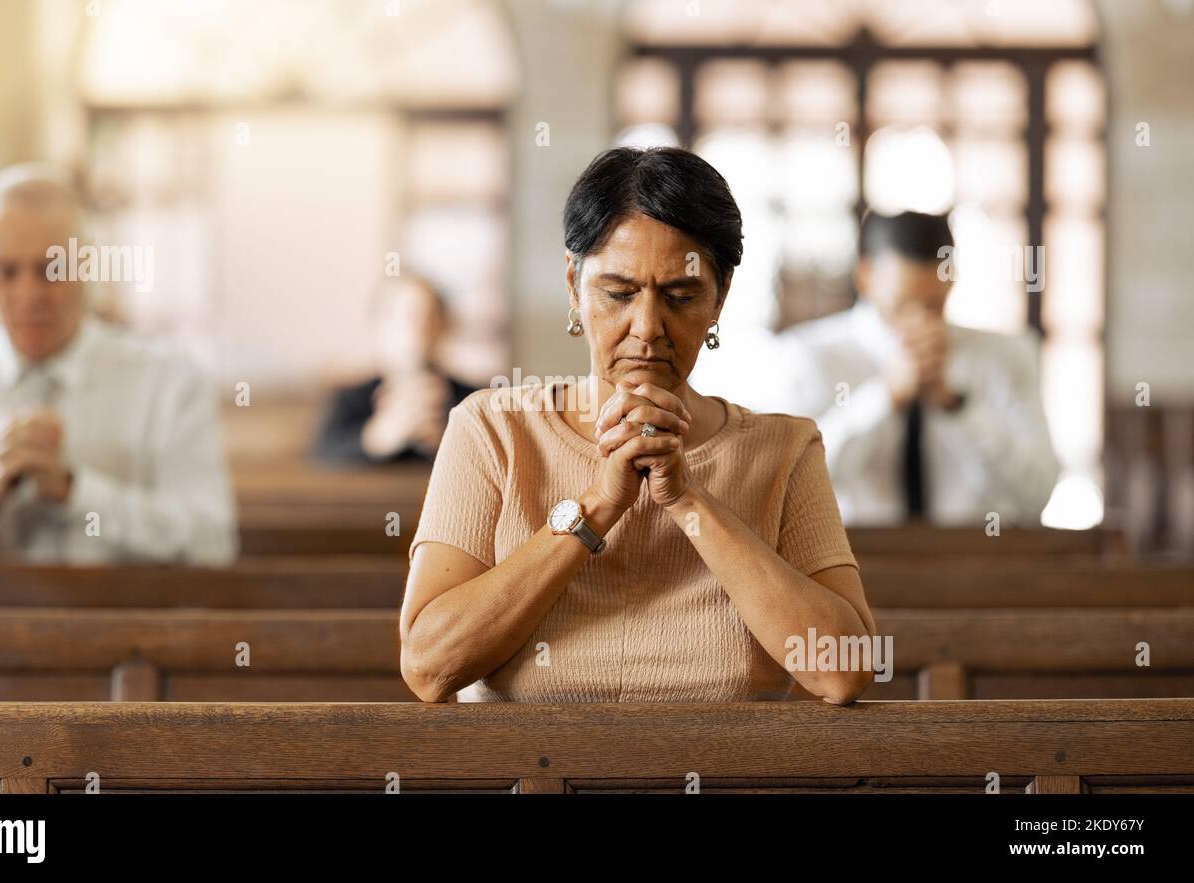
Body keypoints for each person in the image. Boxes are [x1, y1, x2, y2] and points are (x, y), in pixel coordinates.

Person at [401, 147, 875, 705]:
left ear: (719, 300)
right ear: (574, 286)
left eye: (681, 296)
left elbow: (842, 672)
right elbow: (430, 668)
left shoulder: (784, 449)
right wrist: (599, 504)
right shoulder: (493, 428)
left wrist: (689, 501)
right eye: (619, 294)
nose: (647, 328)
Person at [0, 163, 237, 564]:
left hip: (125, 626)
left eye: (50, 269)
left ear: (87, 264)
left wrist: (76, 492)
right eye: (6, 271)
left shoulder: (171, 379)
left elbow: (212, 542)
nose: (28, 294)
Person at [773, 210, 1060, 527]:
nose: (919, 319)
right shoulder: (809, 356)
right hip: (847, 565)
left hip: (978, 561)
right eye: (902, 303)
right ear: (865, 276)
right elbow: (788, 483)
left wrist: (957, 406)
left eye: (932, 304)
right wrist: (886, 398)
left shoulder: (1005, 356)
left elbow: (1037, 494)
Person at [315, 276, 476, 464]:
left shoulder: (472, 401)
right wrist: (379, 437)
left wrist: (446, 443)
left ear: (443, 326)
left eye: (429, 317)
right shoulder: (349, 400)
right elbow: (321, 453)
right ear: (379, 327)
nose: (418, 330)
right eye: (407, 317)